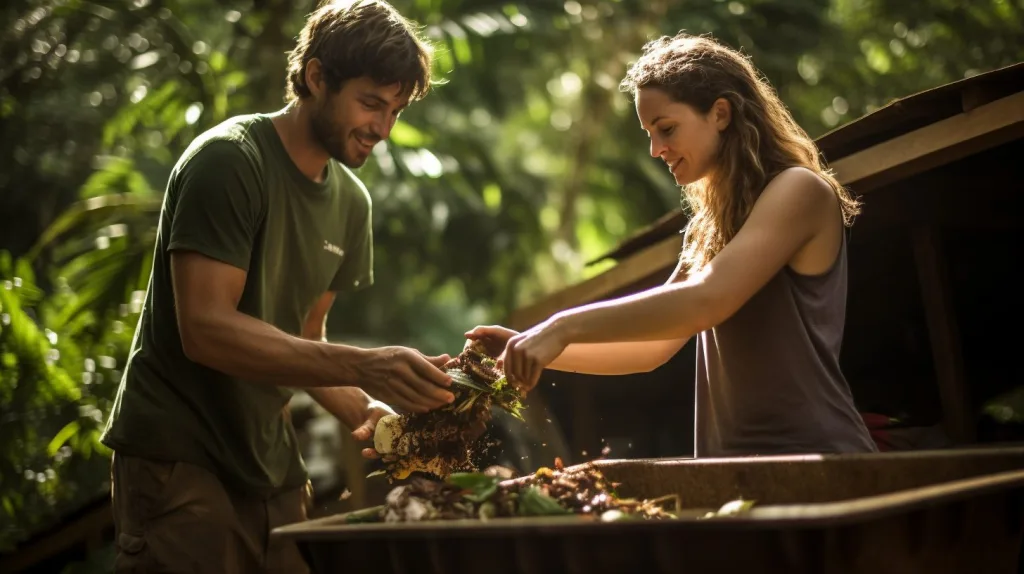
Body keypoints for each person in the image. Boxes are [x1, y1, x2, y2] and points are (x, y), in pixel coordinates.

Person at [99, 1, 456, 572]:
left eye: (395, 111)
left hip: (273, 469)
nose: (383, 129)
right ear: (316, 77)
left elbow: (306, 339)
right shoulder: (230, 161)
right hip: (182, 461)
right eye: (370, 103)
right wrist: (363, 365)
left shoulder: (351, 204)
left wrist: (374, 410)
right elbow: (206, 329)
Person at [467, 32, 878, 458]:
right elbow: (652, 348)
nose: (655, 149)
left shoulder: (799, 190)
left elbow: (706, 300)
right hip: (731, 473)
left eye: (666, 129)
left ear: (720, 113)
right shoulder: (708, 226)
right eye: (649, 132)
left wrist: (561, 326)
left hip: (821, 462)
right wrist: (528, 347)